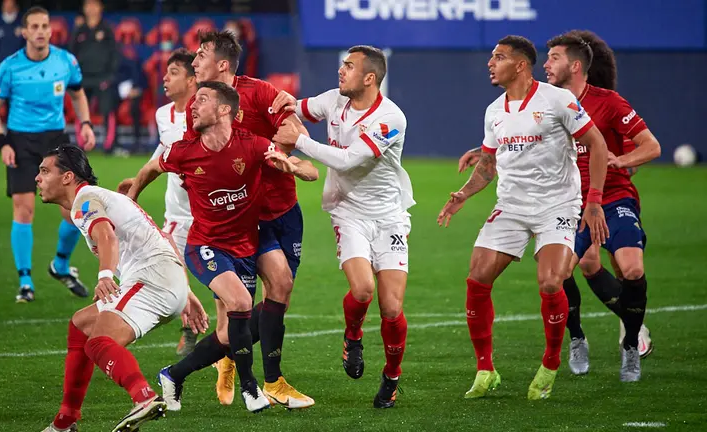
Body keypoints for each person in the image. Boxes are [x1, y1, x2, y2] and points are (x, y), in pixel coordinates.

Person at [437, 35, 610, 400]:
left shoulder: (559, 100)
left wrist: (593, 199)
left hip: (557, 205)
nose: (490, 63)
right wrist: (463, 194)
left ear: (519, 65)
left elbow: (597, 144)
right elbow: (488, 163)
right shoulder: (494, 110)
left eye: (498, 57)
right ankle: (485, 370)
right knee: (477, 277)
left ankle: (549, 366)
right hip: (512, 206)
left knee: (551, 283)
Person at [125, 81, 292, 413]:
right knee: (243, 302)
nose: (193, 105)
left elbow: (306, 169)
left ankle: (173, 375)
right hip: (205, 246)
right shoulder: (183, 150)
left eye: (202, 99)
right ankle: (251, 387)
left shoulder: (253, 145)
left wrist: (297, 167)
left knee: (231, 333)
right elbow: (151, 168)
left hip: (245, 246)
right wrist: (131, 198)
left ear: (224, 109)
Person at [273, 45, 413, 409]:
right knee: (363, 289)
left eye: (349, 67)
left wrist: (299, 142)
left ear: (369, 77)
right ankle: (352, 336)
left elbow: (349, 160)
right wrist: (280, 102)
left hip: (390, 217)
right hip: (348, 212)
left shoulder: (390, 118)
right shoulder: (334, 100)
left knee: (393, 309)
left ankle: (391, 379)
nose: (341, 71)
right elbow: (294, 106)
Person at [36, 145, 209, 432]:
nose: (37, 178)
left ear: (67, 177)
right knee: (81, 326)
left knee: (99, 342)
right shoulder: (100, 198)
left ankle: (144, 398)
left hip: (151, 279)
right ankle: (65, 421)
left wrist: (105, 275)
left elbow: (107, 236)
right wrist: (186, 292)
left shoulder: (85, 199)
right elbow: (162, 235)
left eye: (44, 171)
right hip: (162, 279)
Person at [187, 30, 318, 409]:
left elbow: (296, 131)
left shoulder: (260, 92)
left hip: (286, 211)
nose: (195, 62)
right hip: (245, 217)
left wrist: (278, 150)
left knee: (277, 295)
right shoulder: (198, 108)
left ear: (223, 64)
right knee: (275, 284)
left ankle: (227, 353)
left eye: (201, 55)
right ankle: (271, 381)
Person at [543, 31, 661, 381]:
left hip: (612, 197)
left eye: (553, 58)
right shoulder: (544, 101)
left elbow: (649, 146)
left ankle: (631, 339)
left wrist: (620, 161)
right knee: (565, 272)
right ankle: (578, 338)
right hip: (567, 200)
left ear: (576, 65)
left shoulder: (607, 101)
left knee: (630, 270)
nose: (545, 64)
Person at [0, 6, 96, 303]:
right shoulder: (9, 67)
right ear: (24, 32)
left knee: (75, 208)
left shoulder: (65, 61)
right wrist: (3, 143)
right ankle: (25, 282)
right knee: (24, 209)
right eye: (33, 27)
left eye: (44, 26)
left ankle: (60, 265)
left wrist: (84, 123)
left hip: (56, 139)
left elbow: (77, 93)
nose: (40, 32)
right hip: (20, 140)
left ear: (50, 29)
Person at [117, 48, 201, 356]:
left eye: (174, 73)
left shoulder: (204, 111)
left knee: (223, 280)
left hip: (210, 211)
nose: (164, 78)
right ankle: (190, 327)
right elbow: (163, 151)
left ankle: (229, 342)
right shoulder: (162, 114)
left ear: (193, 80)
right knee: (175, 271)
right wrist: (137, 180)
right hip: (177, 212)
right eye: (165, 73)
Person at [69, 0, 121, 155]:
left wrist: (110, 77)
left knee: (108, 111)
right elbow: (71, 54)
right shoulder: (79, 29)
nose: (91, 8)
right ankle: (81, 145)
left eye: (94, 4)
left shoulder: (107, 29)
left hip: (102, 78)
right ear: (84, 8)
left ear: (100, 7)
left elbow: (115, 54)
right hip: (83, 77)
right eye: (88, 5)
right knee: (81, 111)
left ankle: (109, 146)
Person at [0, 0, 25, 82]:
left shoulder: (23, 24)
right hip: (2, 67)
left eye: (10, 6)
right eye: (5, 6)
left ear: (16, 8)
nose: (8, 9)